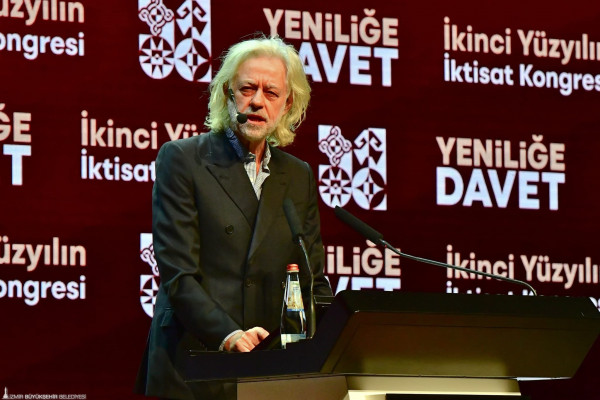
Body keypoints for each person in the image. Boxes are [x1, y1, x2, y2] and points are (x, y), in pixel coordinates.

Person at [134, 35, 333, 400]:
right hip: (193, 363)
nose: (257, 101)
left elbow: (311, 279)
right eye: (247, 88)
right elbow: (178, 274)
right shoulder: (184, 159)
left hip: (268, 366)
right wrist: (228, 335)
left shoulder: (297, 175)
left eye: (271, 92)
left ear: (288, 104)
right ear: (227, 92)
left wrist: (332, 342)